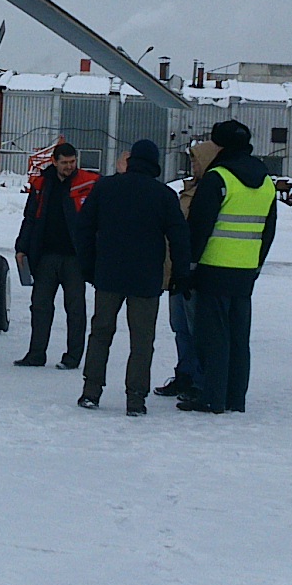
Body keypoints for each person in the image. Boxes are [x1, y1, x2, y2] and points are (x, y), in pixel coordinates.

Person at [74, 139, 191, 416]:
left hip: (108, 274)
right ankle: (135, 399)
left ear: (131, 160)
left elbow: (83, 229)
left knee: (101, 333)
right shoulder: (163, 195)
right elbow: (179, 238)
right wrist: (179, 275)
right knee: (142, 340)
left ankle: (91, 391)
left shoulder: (106, 187)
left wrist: (88, 267)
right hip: (146, 279)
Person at [180, 120, 277, 414]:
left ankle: (212, 397)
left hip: (213, 268)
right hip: (245, 270)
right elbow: (268, 230)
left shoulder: (218, 178)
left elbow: (199, 227)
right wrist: (256, 264)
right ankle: (236, 398)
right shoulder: (266, 181)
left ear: (219, 146)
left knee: (214, 337)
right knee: (238, 338)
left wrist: (189, 268)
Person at [13, 142, 99, 369]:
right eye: (65, 162)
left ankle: (72, 358)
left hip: (74, 259)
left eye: (72, 162)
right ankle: (36, 355)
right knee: (40, 307)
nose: (69, 166)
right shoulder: (42, 184)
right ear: (54, 161)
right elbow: (30, 218)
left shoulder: (89, 183)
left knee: (75, 309)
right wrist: (21, 248)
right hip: (46, 257)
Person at [155, 139, 219, 402]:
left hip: (194, 271)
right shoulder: (188, 189)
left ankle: (199, 379)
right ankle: (184, 373)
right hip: (175, 271)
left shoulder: (208, 191)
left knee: (196, 328)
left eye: (196, 159)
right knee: (179, 326)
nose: (192, 164)